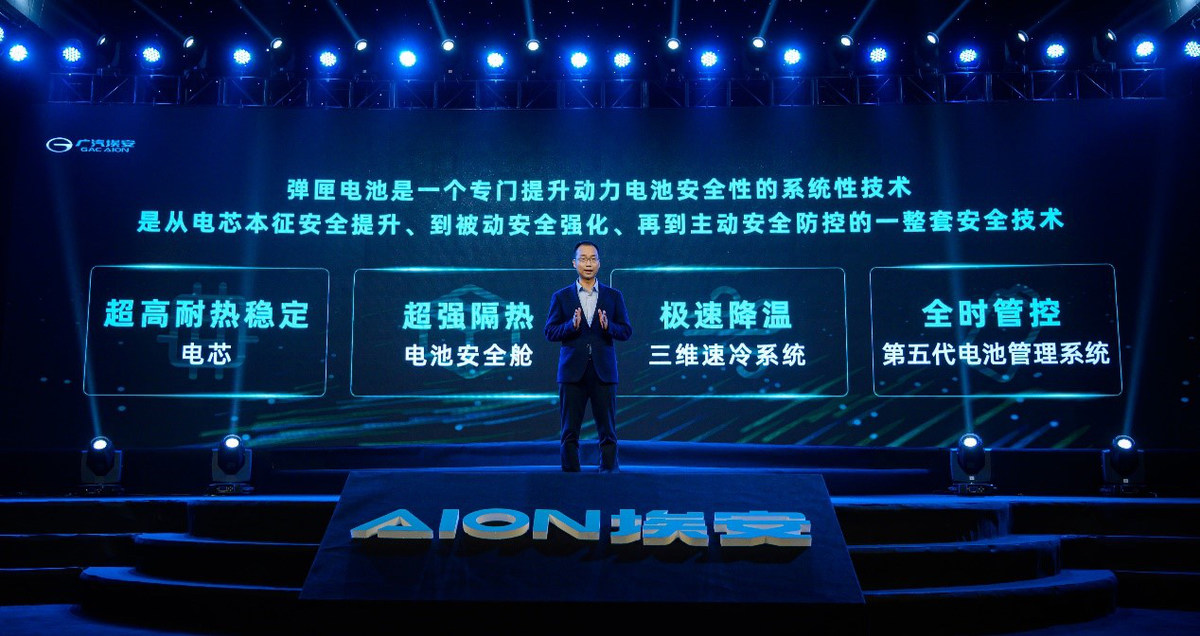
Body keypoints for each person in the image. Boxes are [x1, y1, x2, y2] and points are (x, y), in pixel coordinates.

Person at [544, 241, 633, 473]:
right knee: (569, 431)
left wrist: (608, 326)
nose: (588, 263)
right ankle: (570, 474)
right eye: (583, 259)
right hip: (572, 373)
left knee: (608, 430)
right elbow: (550, 332)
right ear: (574, 263)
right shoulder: (561, 297)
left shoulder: (613, 296)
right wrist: (570, 326)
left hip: (603, 371)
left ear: (599, 263)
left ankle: (609, 473)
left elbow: (626, 331)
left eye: (593, 258)